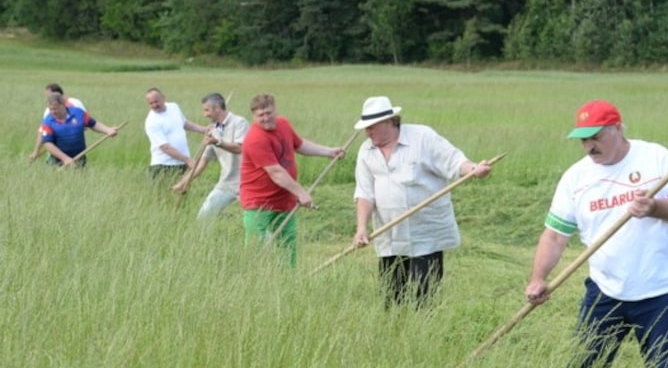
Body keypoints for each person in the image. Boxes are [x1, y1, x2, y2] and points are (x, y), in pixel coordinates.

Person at [524, 100, 668, 368]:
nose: (590, 146)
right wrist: (538, 278)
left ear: (618, 129)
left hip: (664, 291)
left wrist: (656, 208)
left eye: (597, 136)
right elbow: (554, 235)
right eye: (584, 139)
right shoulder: (575, 178)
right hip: (606, 290)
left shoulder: (655, 158)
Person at [351, 96, 492, 308]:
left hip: (425, 235)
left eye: (371, 127)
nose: (367, 132)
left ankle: (423, 334)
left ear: (389, 121)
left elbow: (453, 161)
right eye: (366, 128)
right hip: (389, 235)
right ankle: (395, 333)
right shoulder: (366, 150)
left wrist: (473, 169)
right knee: (391, 297)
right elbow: (364, 192)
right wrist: (361, 227)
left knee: (424, 298)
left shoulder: (422, 137)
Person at [239, 93, 345, 267]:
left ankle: (288, 280)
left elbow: (300, 145)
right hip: (258, 202)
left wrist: (329, 152)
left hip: (284, 199)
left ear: (275, 110)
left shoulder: (283, 124)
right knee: (255, 247)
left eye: (268, 113)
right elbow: (275, 172)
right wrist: (301, 192)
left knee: (288, 245)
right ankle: (253, 282)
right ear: (254, 116)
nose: (265, 118)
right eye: (260, 115)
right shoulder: (254, 139)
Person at [171, 92, 250, 219]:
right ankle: (201, 239)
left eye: (207, 110)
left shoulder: (239, 123)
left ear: (217, 109)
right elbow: (202, 163)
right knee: (203, 217)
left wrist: (217, 142)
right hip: (226, 183)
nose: (205, 114)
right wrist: (184, 182)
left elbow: (240, 148)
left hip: (247, 182)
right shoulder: (213, 131)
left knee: (256, 222)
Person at [144, 87, 207, 181]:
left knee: (183, 193)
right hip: (163, 166)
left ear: (163, 98)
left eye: (156, 101)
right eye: (151, 103)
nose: (154, 105)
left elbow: (184, 123)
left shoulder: (173, 107)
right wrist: (188, 160)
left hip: (182, 165)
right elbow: (165, 148)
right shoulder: (151, 122)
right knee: (163, 194)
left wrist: (204, 129)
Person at [39, 92, 118, 167]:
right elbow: (48, 144)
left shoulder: (78, 113)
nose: (53, 112)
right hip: (58, 162)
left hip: (79, 158)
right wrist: (65, 158)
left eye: (55, 108)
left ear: (63, 104)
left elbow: (93, 124)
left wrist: (107, 130)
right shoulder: (47, 122)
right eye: (50, 109)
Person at [30, 83, 86, 162]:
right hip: (64, 149)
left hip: (68, 150)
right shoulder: (50, 110)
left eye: (49, 96)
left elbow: (85, 123)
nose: (48, 99)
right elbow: (43, 132)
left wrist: (36, 152)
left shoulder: (74, 104)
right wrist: (36, 152)